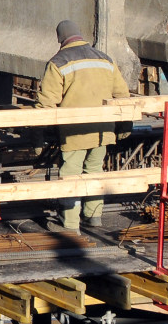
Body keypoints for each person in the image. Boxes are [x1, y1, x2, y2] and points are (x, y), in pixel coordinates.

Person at [36, 19, 130, 232]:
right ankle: (93, 216)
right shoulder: (105, 59)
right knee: (94, 171)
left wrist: (37, 136)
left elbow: (46, 104)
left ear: (60, 39)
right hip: (103, 129)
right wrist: (126, 123)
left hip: (73, 132)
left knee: (71, 175)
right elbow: (122, 95)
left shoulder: (58, 62)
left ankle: (69, 224)